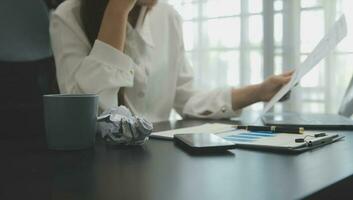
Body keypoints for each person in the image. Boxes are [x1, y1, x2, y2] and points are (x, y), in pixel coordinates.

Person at [50, 0, 292, 122]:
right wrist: (117, 10)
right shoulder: (68, 16)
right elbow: (86, 115)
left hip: (158, 160)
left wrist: (259, 92)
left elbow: (187, 99)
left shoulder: (168, 17)